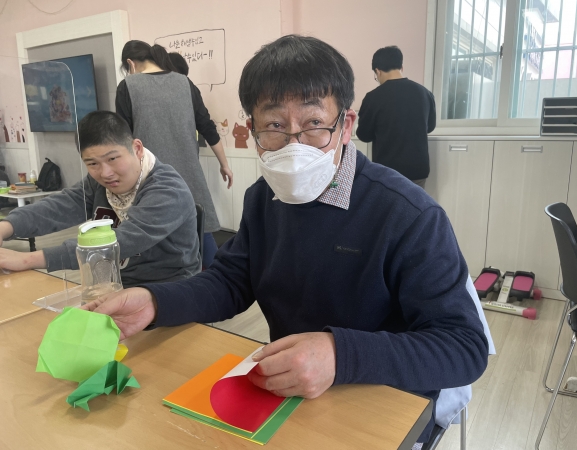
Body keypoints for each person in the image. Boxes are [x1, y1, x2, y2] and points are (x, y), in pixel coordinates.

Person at [84, 35, 488, 448]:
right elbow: (231, 281)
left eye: (314, 124)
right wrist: (155, 301)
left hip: (382, 403)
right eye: (275, 126)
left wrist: (339, 354)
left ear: (346, 126)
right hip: (291, 398)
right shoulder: (262, 199)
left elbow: (465, 347)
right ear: (253, 129)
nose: (295, 146)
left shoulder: (408, 214)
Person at [0, 111, 200, 287]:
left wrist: (27, 260)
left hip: (169, 289)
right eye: (92, 163)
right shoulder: (98, 184)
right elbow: (59, 207)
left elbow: (122, 242)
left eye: (112, 159)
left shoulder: (168, 190)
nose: (105, 173)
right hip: (113, 285)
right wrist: (5, 227)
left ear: (137, 148)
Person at [116, 40, 232, 268]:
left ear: (130, 63)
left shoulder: (127, 86)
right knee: (203, 236)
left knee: (157, 241)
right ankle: (219, 282)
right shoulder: (184, 83)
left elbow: (123, 139)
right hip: (189, 176)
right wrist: (224, 164)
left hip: (150, 178)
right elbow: (207, 127)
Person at [356, 46, 436, 188]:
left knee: (388, 202)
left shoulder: (373, 97)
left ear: (378, 71)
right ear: (401, 67)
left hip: (388, 171)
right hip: (418, 169)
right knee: (415, 202)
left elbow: (364, 135)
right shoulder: (425, 93)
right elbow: (430, 127)